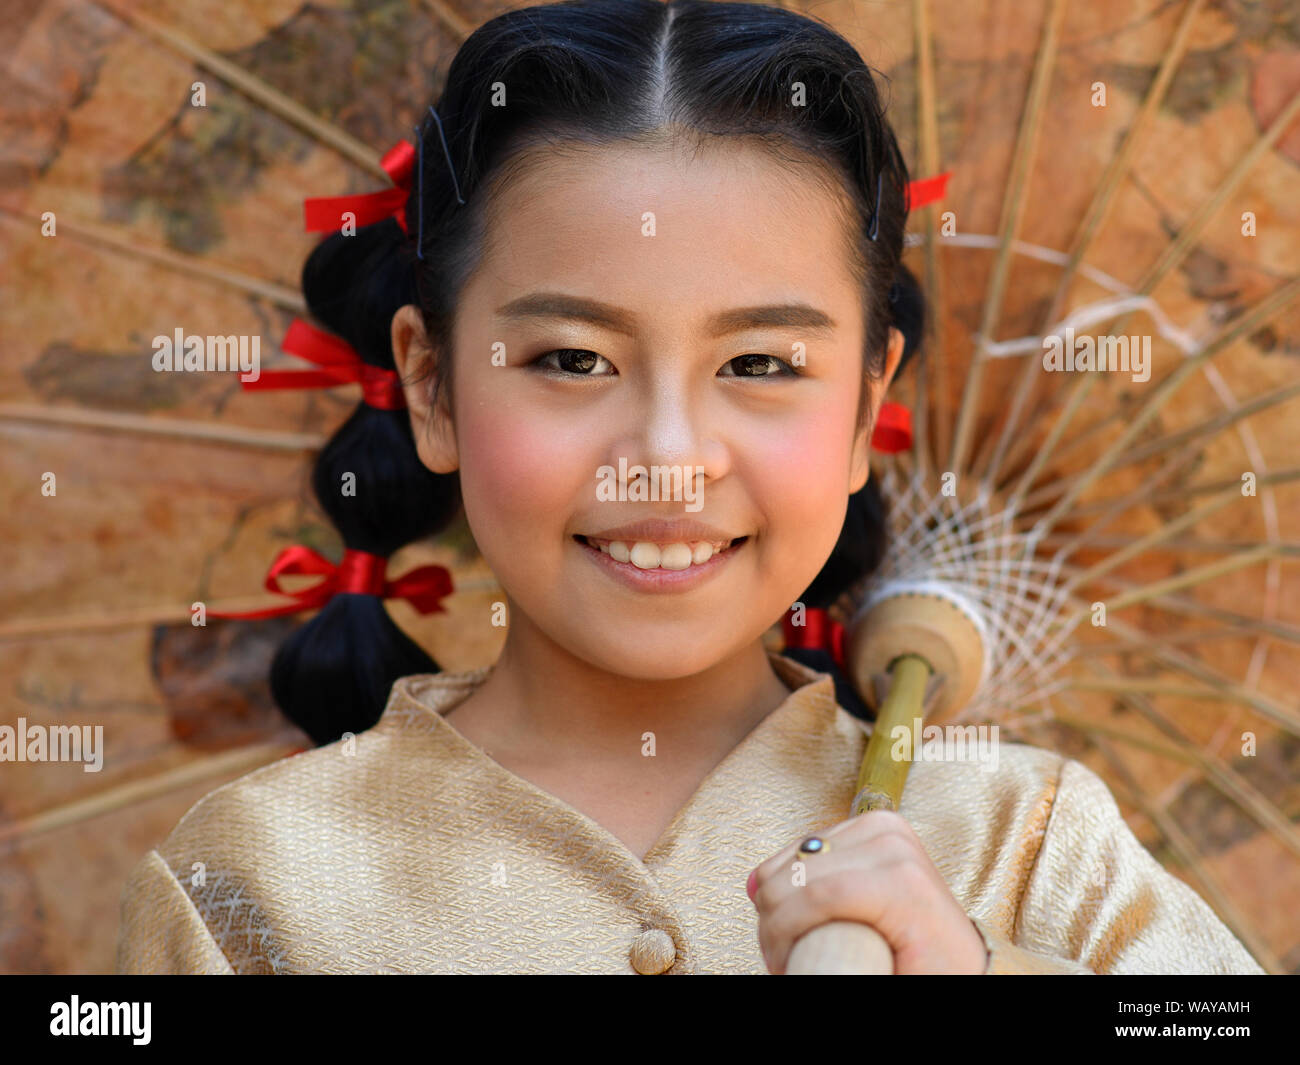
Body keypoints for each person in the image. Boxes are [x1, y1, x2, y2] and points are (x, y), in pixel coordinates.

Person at [114, 0, 1264, 975]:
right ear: (431, 385)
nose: (667, 455)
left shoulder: (1024, 843)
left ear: (866, 407)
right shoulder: (257, 886)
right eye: (572, 361)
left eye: (759, 365)